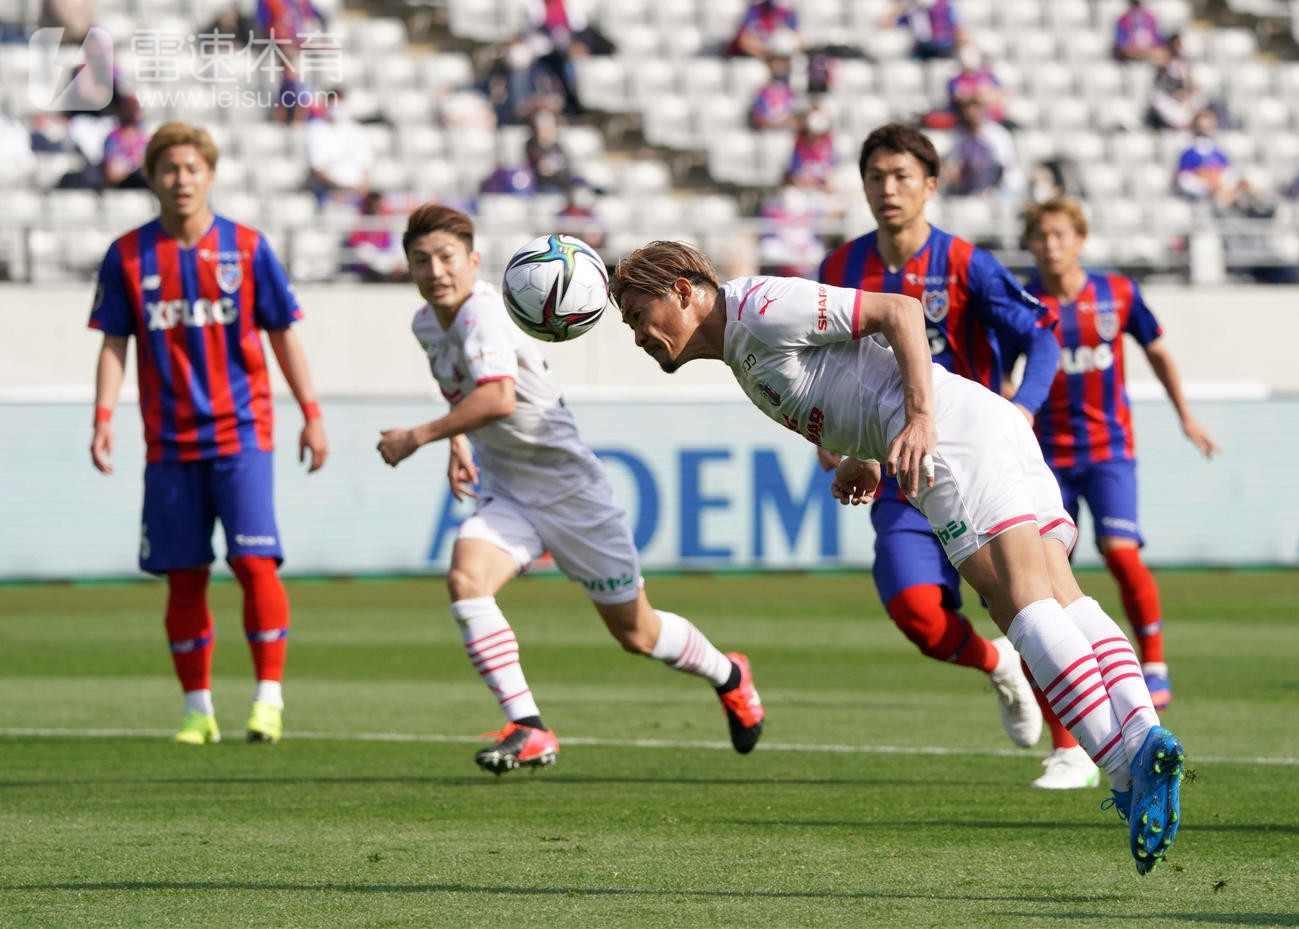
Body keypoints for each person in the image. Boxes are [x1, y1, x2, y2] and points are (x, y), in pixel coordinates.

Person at [612, 240, 1186, 875]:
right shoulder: (746, 339)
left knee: (1019, 600)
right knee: (1060, 592)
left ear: (685, 290)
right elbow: (860, 372)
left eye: (639, 314)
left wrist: (917, 421)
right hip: (981, 424)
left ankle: (1127, 772)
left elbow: (902, 312)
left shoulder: (757, 305)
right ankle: (1143, 734)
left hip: (954, 436)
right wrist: (863, 454)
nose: (638, 336)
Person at [375, 204, 764, 774]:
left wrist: (419, 437)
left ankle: (729, 674)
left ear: (474, 261)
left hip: (570, 492)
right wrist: (459, 442)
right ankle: (529, 726)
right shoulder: (425, 324)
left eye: (446, 257)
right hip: (509, 490)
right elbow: (466, 391)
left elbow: (499, 398)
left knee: (637, 633)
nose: (435, 270)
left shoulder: (484, 314)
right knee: (466, 577)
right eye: (421, 260)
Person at [817, 122, 1059, 752]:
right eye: (875, 177)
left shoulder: (964, 263)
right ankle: (997, 665)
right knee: (919, 617)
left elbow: (1042, 336)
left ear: (930, 185)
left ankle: (1070, 749)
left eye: (901, 177)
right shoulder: (840, 267)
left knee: (1025, 603)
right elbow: (821, 374)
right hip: (901, 476)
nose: (887, 189)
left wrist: (1023, 410)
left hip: (975, 469)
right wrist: (844, 451)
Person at [88, 121, 329, 746]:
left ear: (210, 175)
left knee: (254, 562)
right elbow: (115, 342)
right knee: (185, 574)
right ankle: (198, 711)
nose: (180, 179)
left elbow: (282, 332)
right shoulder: (128, 256)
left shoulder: (246, 248)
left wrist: (312, 413)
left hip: (243, 433)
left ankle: (267, 700)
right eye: (168, 169)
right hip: (169, 445)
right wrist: (103, 418)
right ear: (153, 178)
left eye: (192, 168)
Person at [1019, 196, 1219, 788]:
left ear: (1079, 238)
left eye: (1059, 235)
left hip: (1109, 454)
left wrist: (1186, 416)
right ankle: (1067, 748)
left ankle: (1153, 664)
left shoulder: (1118, 295)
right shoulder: (1026, 304)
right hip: (1046, 459)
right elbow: (1005, 370)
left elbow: (1156, 347)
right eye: (1040, 237)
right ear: (1030, 245)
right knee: (1041, 591)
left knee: (1122, 552)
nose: (1050, 245)